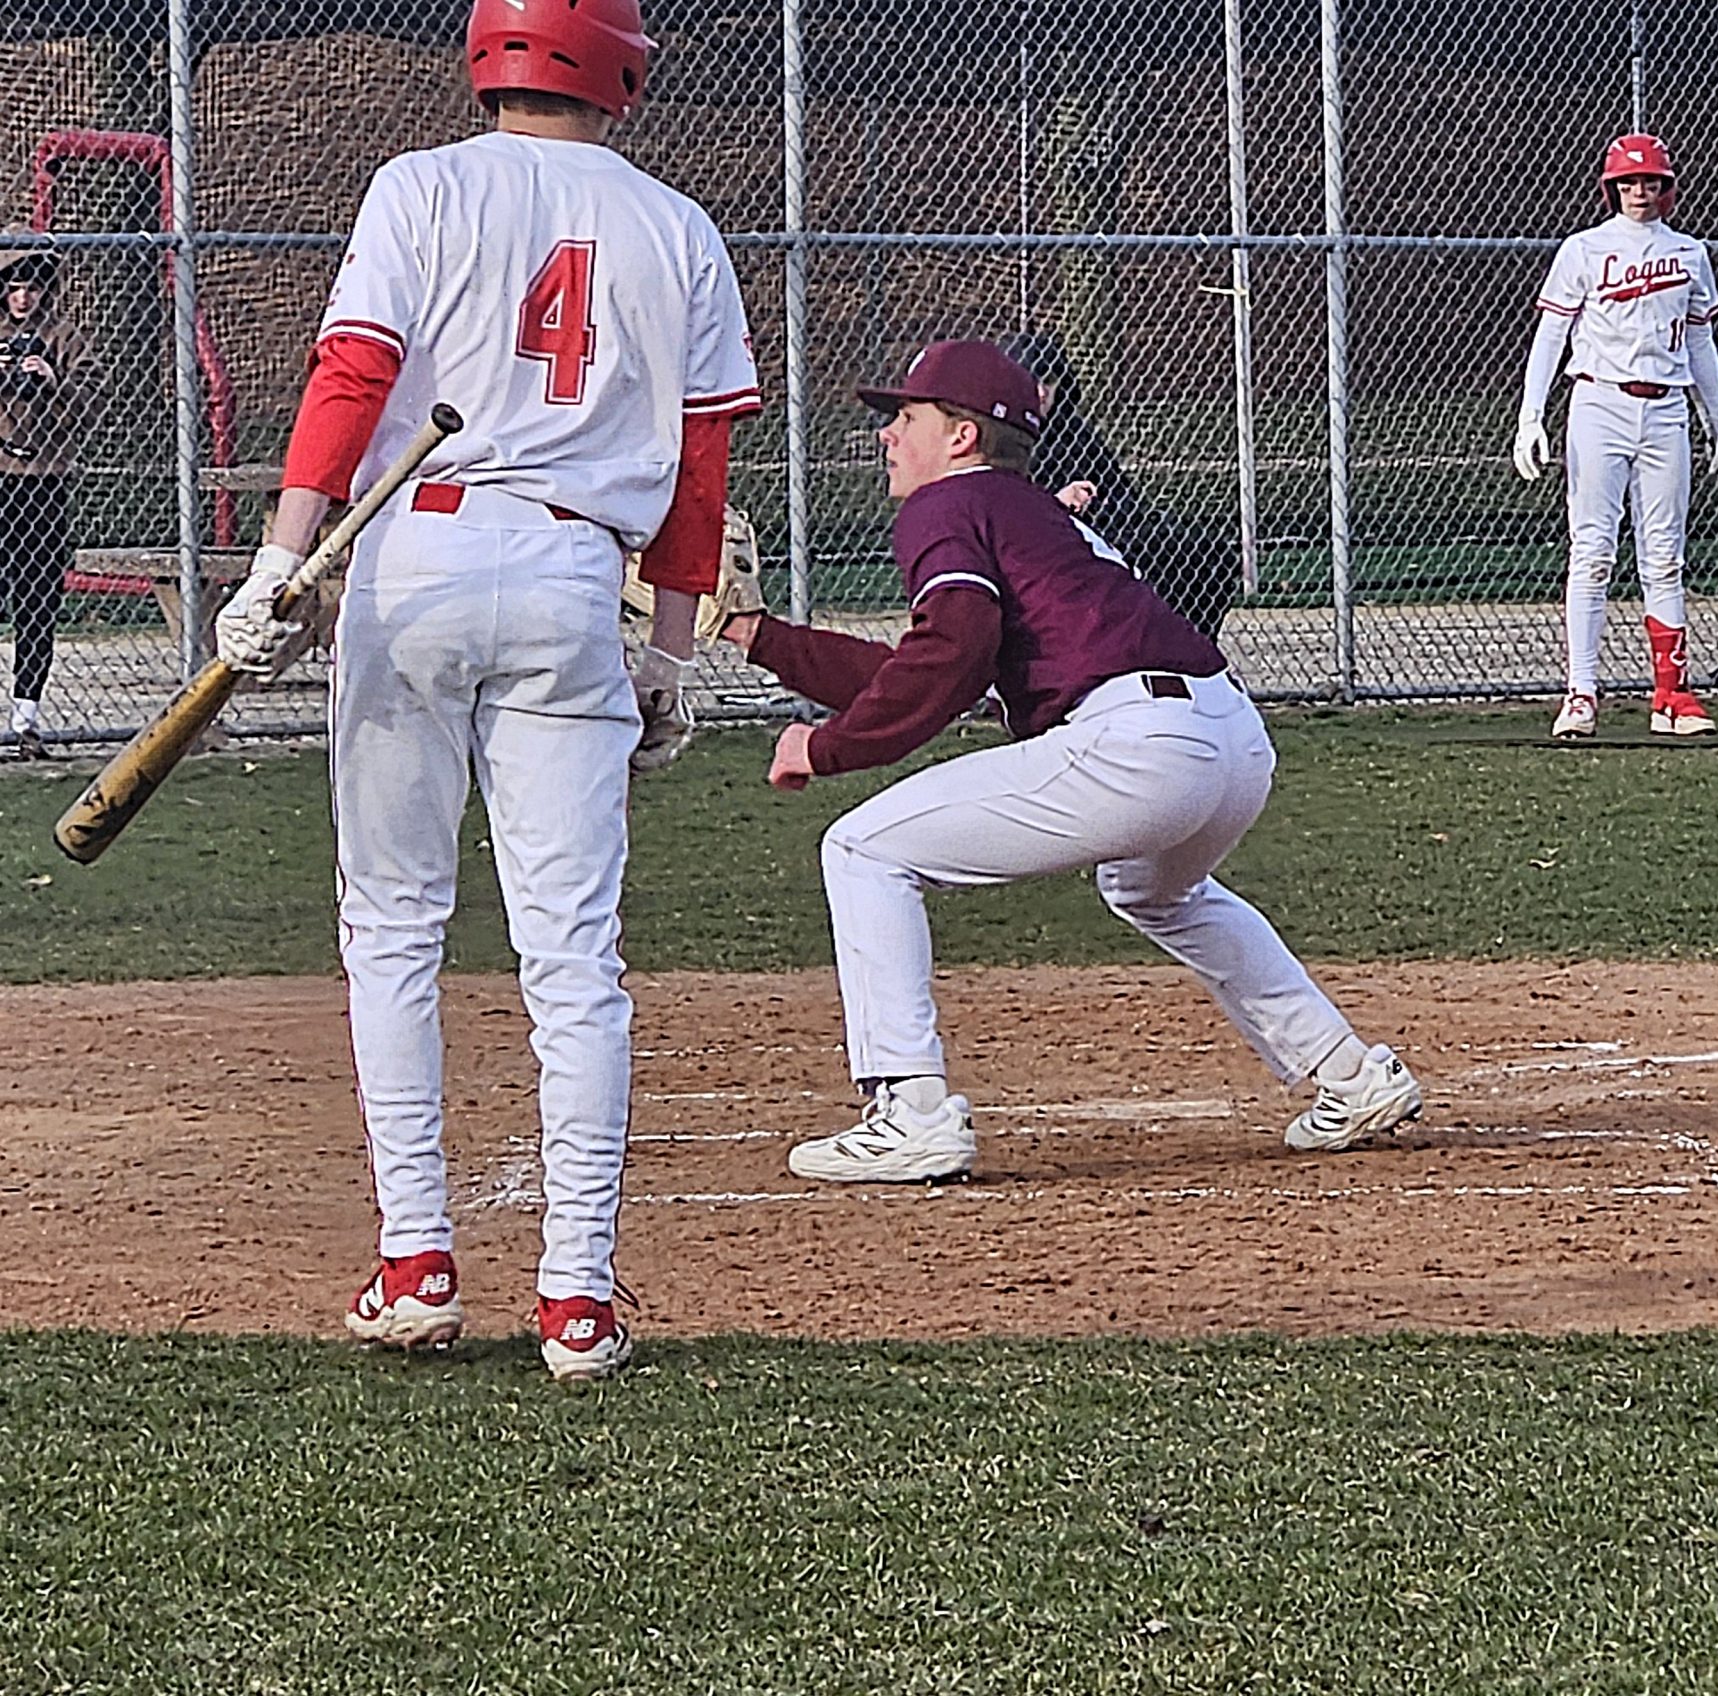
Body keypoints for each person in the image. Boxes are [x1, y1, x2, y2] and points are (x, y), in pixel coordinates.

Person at [213, 0, 759, 1382]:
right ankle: (576, 1299)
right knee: (572, 956)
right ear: (619, 63)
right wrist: (674, 652)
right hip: (578, 574)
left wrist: (283, 560)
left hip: (414, 562)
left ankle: (418, 1264)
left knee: (394, 923)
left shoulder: (420, 183)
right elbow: (698, 479)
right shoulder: (679, 225)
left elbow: (353, 377)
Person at [728, 340, 1421, 1184]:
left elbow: (950, 651)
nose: (887, 436)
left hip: (1139, 745)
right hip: (1230, 737)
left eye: (905, 417)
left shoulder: (949, 504)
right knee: (1155, 891)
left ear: (961, 437)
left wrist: (829, 748)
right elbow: (932, 664)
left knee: (864, 850)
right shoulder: (1036, 514)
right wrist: (758, 637)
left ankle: (909, 1112)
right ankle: (1351, 1075)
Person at [1512, 132, 1718, 739]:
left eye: (1653, 181)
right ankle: (1581, 694)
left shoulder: (1690, 252)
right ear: (1612, 188)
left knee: (1664, 557)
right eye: (1631, 182)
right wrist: (1532, 414)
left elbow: (1699, 340)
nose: (1642, 191)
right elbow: (1551, 337)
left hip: (1665, 408)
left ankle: (1672, 695)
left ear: (1668, 189)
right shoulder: (1584, 249)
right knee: (1592, 553)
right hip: (1598, 402)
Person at [999, 331, 1242, 642]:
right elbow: (1002, 504)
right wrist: (1057, 502)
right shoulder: (1003, 437)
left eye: (1049, 381)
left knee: (1211, 552)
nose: (1042, 393)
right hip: (1054, 541)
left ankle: (1188, 646)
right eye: (1032, 381)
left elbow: (1120, 494)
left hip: (1111, 527)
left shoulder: (1073, 432)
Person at [0, 234, 95, 758]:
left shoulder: (63, 338)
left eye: (32, 288)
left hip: (45, 479)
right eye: (14, 288)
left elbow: (92, 399)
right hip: (1, 477)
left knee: (38, 598)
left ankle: (26, 716)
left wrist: (51, 379)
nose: (22, 299)